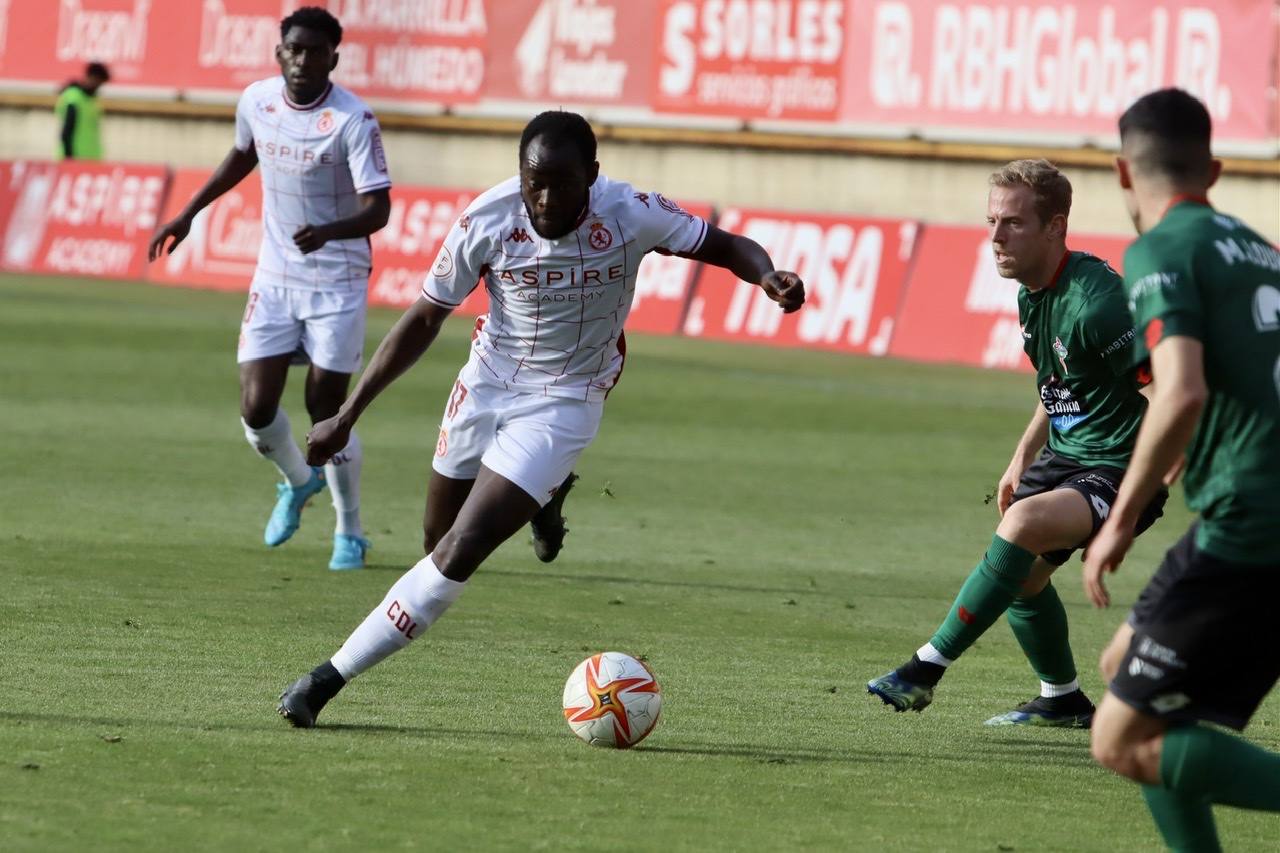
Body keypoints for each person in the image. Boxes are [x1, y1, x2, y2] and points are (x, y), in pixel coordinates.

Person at [275, 110, 806, 727]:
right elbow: (423, 319)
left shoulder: (632, 210)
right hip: (487, 379)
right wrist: (346, 414)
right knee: (433, 540)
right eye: (535, 184)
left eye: (564, 184)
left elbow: (726, 245)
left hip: (567, 397)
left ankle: (325, 680)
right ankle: (544, 501)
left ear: (593, 177)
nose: (547, 199)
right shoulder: (487, 219)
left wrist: (766, 274)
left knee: (458, 551)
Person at [867, 159, 1166, 727]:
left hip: (1118, 463)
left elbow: (1169, 390)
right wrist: (1022, 455)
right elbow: (1058, 381)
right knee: (1022, 579)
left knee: (1021, 529)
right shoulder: (1032, 292)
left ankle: (923, 669)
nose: (996, 238)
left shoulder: (1100, 305)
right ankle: (1061, 699)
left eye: (1013, 224)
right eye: (991, 223)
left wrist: (1144, 490)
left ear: (1055, 227)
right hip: (1065, 455)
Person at [1084, 88, 1280, 852]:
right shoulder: (1258, 248)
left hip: (1253, 517)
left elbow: (1182, 390)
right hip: (1251, 503)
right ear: (1217, 170)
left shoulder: (1160, 249)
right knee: (1123, 666)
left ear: (1123, 175)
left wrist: (1120, 521)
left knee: (1120, 738)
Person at [147, 7, 391, 570]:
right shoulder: (256, 101)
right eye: (293, 49)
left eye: (314, 51)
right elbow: (243, 154)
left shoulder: (353, 120)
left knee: (325, 409)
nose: (302, 60)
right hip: (275, 278)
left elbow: (379, 209)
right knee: (256, 408)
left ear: (335, 55)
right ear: (279, 53)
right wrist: (187, 214)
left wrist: (329, 231)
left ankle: (350, 533)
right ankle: (297, 482)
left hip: (337, 280)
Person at [55, 62, 109, 160]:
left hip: (91, 157)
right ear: (91, 77)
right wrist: (68, 157)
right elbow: (67, 130)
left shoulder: (93, 100)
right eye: (98, 82)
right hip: (74, 157)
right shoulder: (74, 97)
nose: (98, 87)